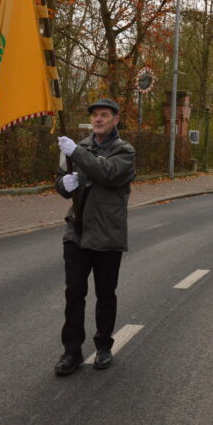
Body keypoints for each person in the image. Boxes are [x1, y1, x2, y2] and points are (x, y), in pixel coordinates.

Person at [54, 98, 136, 376]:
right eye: (95, 115)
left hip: (107, 234)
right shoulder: (80, 147)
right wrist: (63, 184)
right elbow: (62, 180)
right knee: (74, 293)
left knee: (105, 294)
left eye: (104, 115)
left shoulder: (124, 151)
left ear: (115, 119)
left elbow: (107, 173)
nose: (98, 119)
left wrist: (76, 152)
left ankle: (103, 345)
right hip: (76, 232)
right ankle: (71, 352)